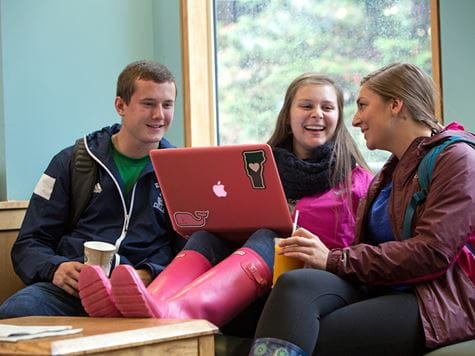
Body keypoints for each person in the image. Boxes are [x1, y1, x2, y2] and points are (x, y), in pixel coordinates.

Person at [78, 73, 373, 336]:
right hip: (251, 285)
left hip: (311, 282)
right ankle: (150, 303)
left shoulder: (357, 180)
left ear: (338, 116)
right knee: (207, 235)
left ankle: (179, 314)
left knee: (269, 238)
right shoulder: (257, 166)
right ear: (288, 115)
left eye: (327, 107)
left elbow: (369, 251)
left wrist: (328, 256)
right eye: (306, 106)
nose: (317, 114)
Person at [249, 63, 475, 356]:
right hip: (381, 287)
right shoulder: (389, 173)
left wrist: (334, 260)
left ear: (395, 105)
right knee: (295, 284)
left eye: (363, 105)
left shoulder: (457, 159)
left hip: (434, 299)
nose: (355, 120)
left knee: (316, 334)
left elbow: (432, 253)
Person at [0, 60, 185, 318]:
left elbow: (189, 253)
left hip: (147, 293)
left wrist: (151, 273)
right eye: (148, 104)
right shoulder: (71, 162)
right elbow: (29, 244)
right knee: (15, 313)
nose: (159, 115)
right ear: (120, 105)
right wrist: (56, 268)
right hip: (73, 292)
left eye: (167, 105)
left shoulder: (181, 171)